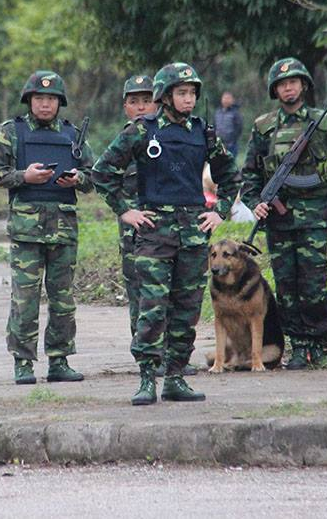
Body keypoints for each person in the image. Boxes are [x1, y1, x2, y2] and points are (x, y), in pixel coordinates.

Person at [93, 63, 239, 405]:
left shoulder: (203, 132)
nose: (188, 100)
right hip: (153, 233)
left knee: (186, 308)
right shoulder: (142, 131)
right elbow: (102, 172)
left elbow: (230, 175)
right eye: (182, 93)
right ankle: (147, 378)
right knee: (152, 307)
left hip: (192, 233)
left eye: (192, 94)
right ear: (166, 96)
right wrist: (125, 210)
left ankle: (175, 377)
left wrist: (219, 211)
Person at [241, 57, 327, 370]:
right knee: (286, 287)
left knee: (313, 284)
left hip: (316, 217)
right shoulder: (263, 127)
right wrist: (256, 203)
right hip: (279, 220)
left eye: (293, 82)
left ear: (303, 85)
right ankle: (298, 346)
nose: (288, 88)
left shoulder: (325, 122)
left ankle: (318, 342)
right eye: (282, 84)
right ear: (274, 90)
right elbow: (249, 174)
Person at [0, 70, 94, 385]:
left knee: (63, 299)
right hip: (27, 231)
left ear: (60, 103)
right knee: (25, 299)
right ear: (29, 101)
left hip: (64, 229)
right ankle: (23, 362)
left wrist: (78, 179)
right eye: (39, 98)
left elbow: (95, 175)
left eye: (51, 99)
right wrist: (23, 177)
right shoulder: (11, 132)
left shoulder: (73, 135)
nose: (45, 105)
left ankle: (59, 360)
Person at [213, 91, 244, 157]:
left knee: (231, 165)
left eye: (228, 98)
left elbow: (239, 128)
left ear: (232, 100)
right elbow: (214, 126)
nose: (226, 100)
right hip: (219, 144)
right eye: (224, 98)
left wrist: (232, 139)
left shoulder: (235, 113)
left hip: (231, 145)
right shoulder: (218, 112)